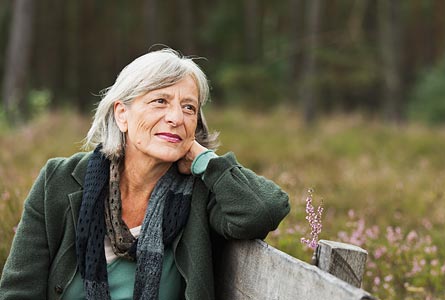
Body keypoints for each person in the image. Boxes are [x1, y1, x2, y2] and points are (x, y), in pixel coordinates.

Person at [0, 48, 290, 300]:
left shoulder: (199, 193)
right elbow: (19, 290)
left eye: (188, 107)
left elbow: (264, 209)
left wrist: (204, 160)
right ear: (122, 115)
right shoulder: (59, 180)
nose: (176, 118)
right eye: (160, 102)